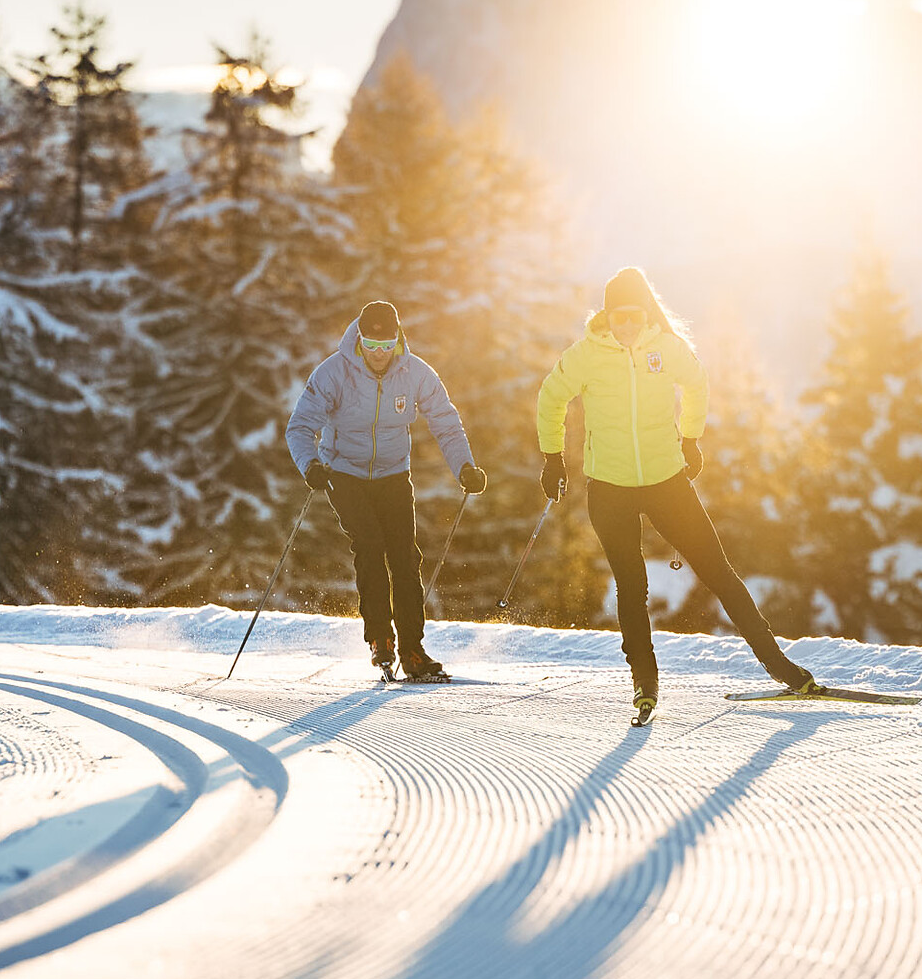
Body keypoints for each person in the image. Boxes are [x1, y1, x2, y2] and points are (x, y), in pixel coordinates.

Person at [535, 268, 819, 720]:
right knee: (632, 586)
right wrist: (552, 456)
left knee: (718, 571)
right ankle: (644, 683)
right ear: (606, 316)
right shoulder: (586, 354)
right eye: (617, 316)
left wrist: (690, 438)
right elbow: (551, 398)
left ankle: (780, 666)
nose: (625, 325)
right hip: (610, 488)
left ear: (645, 312)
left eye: (633, 315)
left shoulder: (665, 348)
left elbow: (697, 383)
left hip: (667, 481)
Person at [288, 300, 487, 680]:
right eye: (370, 346)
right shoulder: (333, 373)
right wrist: (310, 464)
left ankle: (412, 649)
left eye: (387, 346)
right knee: (370, 544)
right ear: (358, 340)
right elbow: (300, 426)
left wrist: (465, 467)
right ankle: (380, 638)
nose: (379, 355)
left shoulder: (415, 373)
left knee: (404, 556)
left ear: (397, 341)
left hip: (394, 473)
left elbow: (445, 421)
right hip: (343, 471)